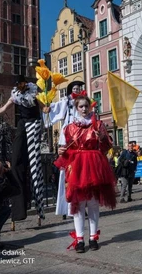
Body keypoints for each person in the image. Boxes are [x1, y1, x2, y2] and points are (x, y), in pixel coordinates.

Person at [0, 75, 44, 222]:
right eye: (16, 85)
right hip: (22, 124)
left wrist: (47, 107)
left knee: (33, 165)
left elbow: (43, 106)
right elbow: (4, 108)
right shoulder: (15, 94)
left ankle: (38, 204)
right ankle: (19, 211)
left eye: (20, 84)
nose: (18, 86)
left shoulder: (35, 92)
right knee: (16, 164)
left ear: (25, 83)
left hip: (34, 123)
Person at [54, 96, 116, 253]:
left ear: (90, 107)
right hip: (77, 167)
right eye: (80, 106)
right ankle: (80, 239)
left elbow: (108, 145)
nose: (83, 108)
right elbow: (63, 148)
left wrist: (101, 136)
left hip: (94, 165)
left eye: (86, 106)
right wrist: (60, 150)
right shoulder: (68, 127)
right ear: (76, 107)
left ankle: (93, 237)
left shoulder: (98, 124)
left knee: (93, 203)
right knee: (79, 204)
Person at [44, 80, 86, 217]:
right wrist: (48, 108)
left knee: (81, 171)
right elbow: (54, 109)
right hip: (68, 137)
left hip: (81, 137)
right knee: (66, 173)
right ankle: (66, 206)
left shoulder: (84, 103)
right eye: (75, 88)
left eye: (79, 88)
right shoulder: (66, 102)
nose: (77, 90)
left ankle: (81, 204)